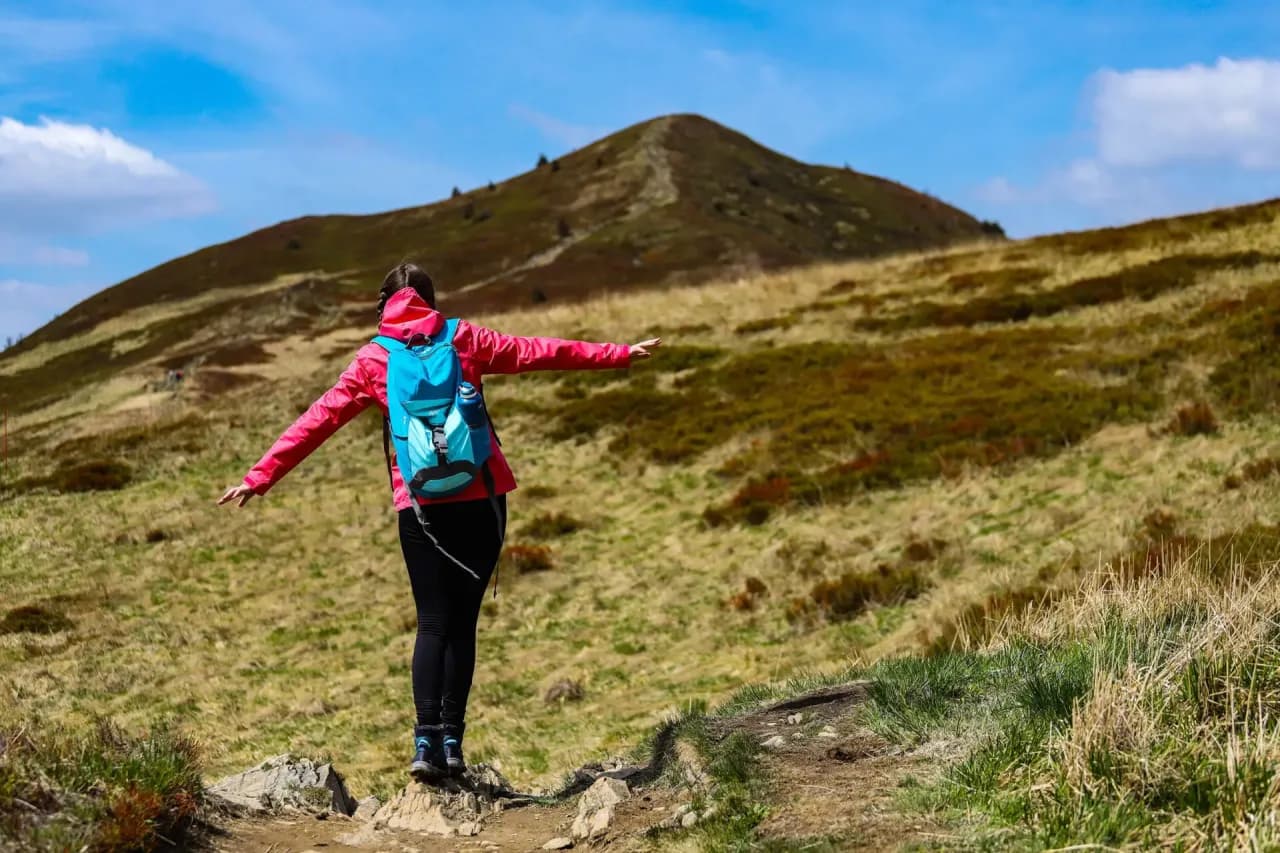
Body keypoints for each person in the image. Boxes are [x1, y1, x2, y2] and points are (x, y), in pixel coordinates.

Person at [218, 262, 660, 778]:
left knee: (432, 624)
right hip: (482, 496)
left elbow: (318, 419)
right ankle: (453, 743)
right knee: (462, 626)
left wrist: (260, 476)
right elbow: (539, 351)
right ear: (431, 300)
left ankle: (424, 745)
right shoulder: (465, 337)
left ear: (383, 304)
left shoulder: (372, 360)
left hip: (421, 507)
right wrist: (619, 354)